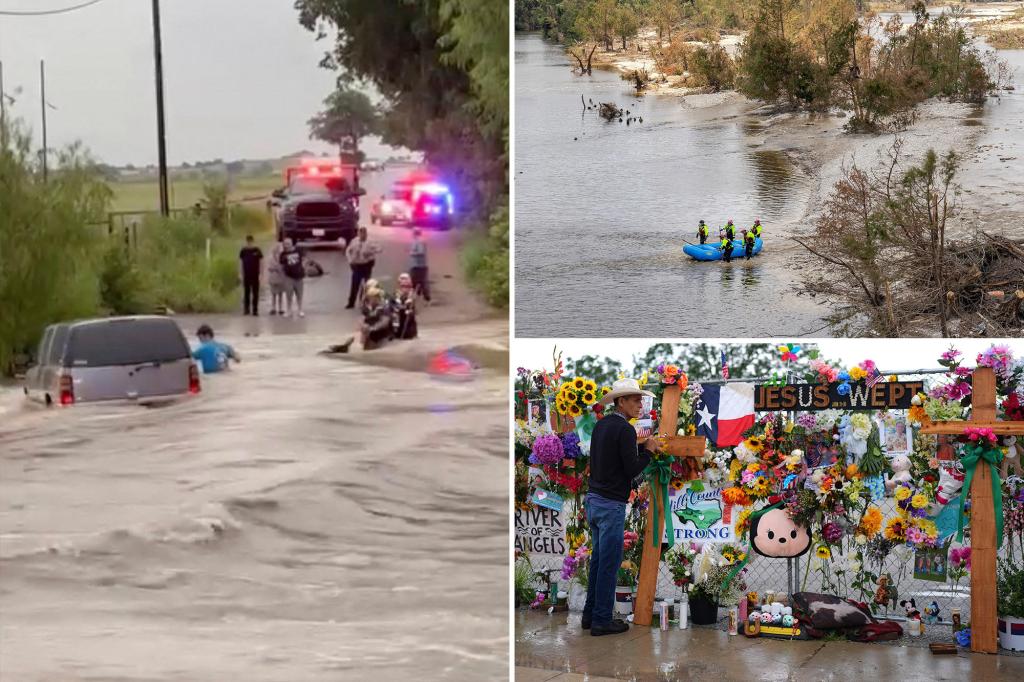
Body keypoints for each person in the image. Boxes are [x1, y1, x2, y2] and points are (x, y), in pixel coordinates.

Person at [582, 378, 662, 637]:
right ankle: (602, 620)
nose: (640, 404)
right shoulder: (626, 430)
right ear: (621, 401)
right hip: (610, 504)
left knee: (598, 561)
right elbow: (632, 469)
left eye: (641, 400)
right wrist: (648, 450)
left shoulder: (602, 426)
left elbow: (609, 459)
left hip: (593, 500)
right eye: (636, 399)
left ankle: (590, 614)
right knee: (608, 563)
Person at [328, 286, 393, 354]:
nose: (369, 300)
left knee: (369, 340)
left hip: (381, 333)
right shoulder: (367, 308)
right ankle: (348, 346)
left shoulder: (384, 308)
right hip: (368, 332)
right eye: (369, 297)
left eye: (371, 298)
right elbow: (362, 319)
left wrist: (373, 328)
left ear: (376, 297)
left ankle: (358, 348)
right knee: (361, 332)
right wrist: (363, 326)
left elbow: (385, 322)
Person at [345, 226, 381, 309]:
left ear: (366, 234)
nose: (362, 236)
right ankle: (351, 302)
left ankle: (365, 302)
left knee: (366, 284)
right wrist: (350, 260)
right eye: (360, 234)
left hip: (366, 265)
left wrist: (370, 252)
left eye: (364, 234)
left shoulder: (371, 242)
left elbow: (380, 249)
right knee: (355, 284)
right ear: (358, 234)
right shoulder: (354, 241)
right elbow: (348, 251)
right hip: (356, 265)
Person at [279, 238, 306, 318]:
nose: (286, 245)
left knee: (299, 294)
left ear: (291, 243)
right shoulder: (283, 254)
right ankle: (289, 310)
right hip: (288, 277)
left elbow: (304, 259)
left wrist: (303, 268)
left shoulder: (298, 251)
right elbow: (281, 265)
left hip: (299, 276)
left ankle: (300, 310)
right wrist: (282, 276)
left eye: (288, 243)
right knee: (289, 295)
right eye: (285, 244)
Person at [239, 235, 263, 316]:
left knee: (255, 293)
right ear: (246, 242)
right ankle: (246, 309)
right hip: (246, 274)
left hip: (255, 274)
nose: (249, 243)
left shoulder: (257, 250)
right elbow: (241, 263)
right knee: (246, 292)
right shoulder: (243, 251)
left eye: (251, 242)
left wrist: (261, 273)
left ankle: (255, 310)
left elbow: (261, 262)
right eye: (248, 242)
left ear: (253, 241)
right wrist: (240, 273)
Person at [393, 273, 418, 339]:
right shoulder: (396, 293)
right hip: (399, 316)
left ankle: (411, 334)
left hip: (408, 318)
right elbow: (394, 304)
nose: (404, 289)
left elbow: (412, 307)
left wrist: (409, 307)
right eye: (402, 286)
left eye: (406, 287)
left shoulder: (412, 294)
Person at [410, 228, 431, 303]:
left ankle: (424, 297)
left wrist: (412, 253)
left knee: (417, 282)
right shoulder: (418, 241)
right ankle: (422, 296)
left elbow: (421, 252)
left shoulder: (419, 241)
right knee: (420, 282)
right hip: (419, 265)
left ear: (415, 233)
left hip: (418, 265)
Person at [267, 240, 286, 315]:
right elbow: (269, 268)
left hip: (281, 277)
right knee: (273, 294)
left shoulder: (283, 258)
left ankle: (280, 308)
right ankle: (273, 308)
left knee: (280, 293)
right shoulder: (270, 259)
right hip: (273, 277)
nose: (277, 252)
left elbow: (284, 267)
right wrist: (275, 269)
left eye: (279, 250)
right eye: (276, 250)